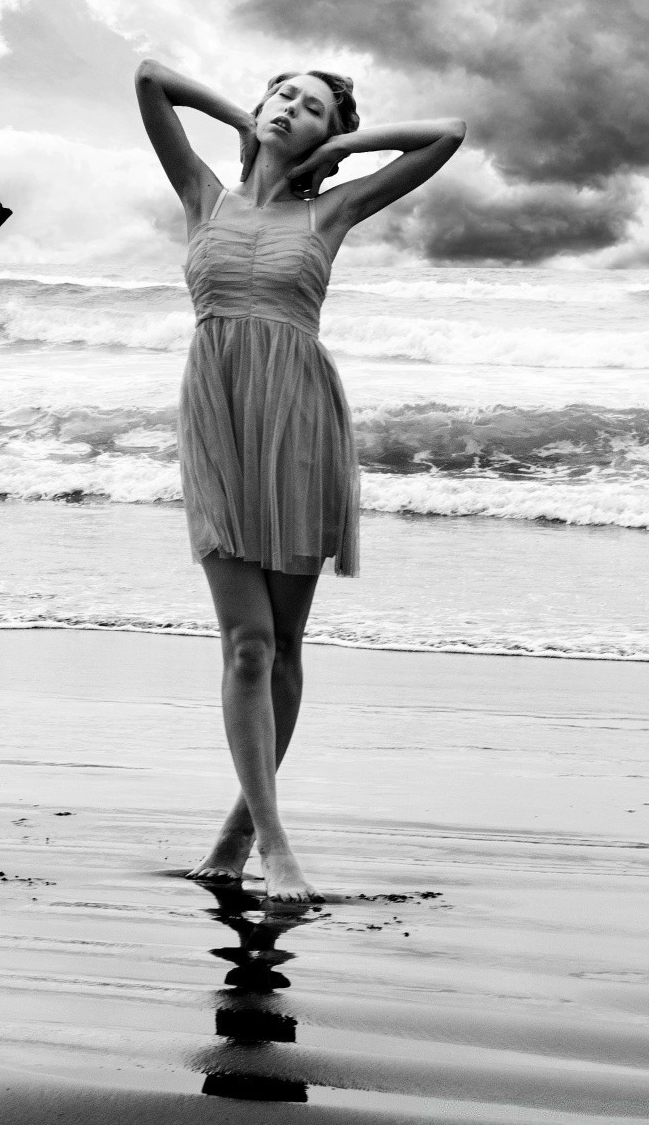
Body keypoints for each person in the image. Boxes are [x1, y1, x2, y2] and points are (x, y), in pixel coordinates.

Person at [135, 62, 464, 902]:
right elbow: (149, 79)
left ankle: (238, 830)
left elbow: (446, 136)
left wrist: (346, 144)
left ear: (329, 137)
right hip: (216, 417)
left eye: (312, 108)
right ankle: (274, 842)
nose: (293, 109)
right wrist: (244, 121)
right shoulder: (203, 196)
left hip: (300, 423)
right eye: (284, 95)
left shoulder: (334, 210)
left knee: (282, 644)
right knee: (246, 644)